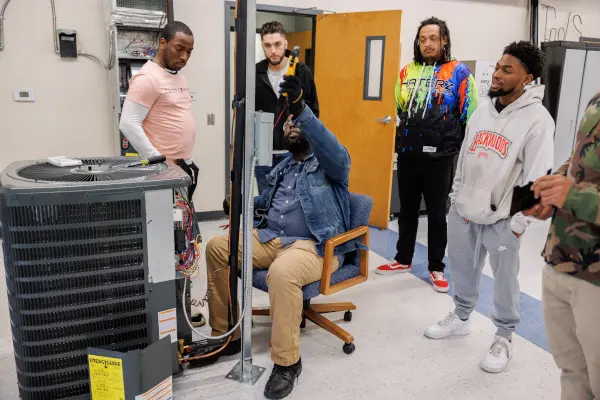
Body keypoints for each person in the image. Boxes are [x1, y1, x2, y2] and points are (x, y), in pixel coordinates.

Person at [196, 74, 351, 399]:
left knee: (282, 272)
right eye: (289, 125)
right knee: (217, 247)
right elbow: (263, 204)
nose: (293, 128)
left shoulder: (330, 165)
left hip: (314, 246)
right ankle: (227, 335)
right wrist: (237, 204)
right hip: (271, 238)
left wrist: (301, 111)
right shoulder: (282, 167)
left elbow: (333, 150)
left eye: (299, 125)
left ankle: (287, 362)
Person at [425, 41, 555, 374]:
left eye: (506, 70)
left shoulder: (538, 120)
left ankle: (504, 336)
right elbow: (466, 157)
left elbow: (536, 176)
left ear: (527, 78)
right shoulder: (483, 110)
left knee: (504, 281)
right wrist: (455, 199)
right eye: (497, 67)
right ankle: (462, 314)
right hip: (465, 208)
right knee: (463, 268)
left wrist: (518, 224)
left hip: (503, 218)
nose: (497, 74)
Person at [376, 17, 478, 293]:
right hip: (409, 155)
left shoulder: (459, 72)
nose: (427, 44)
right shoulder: (406, 72)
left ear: (444, 40)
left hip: (441, 158)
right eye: (422, 39)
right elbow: (399, 107)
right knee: (407, 212)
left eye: (433, 38)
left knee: (436, 215)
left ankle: (436, 267)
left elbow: (469, 114)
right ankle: (402, 258)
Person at [119, 21, 205, 328]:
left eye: (189, 51)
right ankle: (174, 316)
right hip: (165, 177)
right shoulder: (147, 78)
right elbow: (128, 123)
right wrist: (158, 163)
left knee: (186, 244)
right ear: (163, 43)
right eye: (180, 49)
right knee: (173, 246)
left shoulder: (175, 76)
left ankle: (181, 309)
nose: (184, 56)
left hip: (181, 174)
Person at [529, 91, 600, 399]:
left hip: (595, 280)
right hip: (560, 258)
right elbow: (578, 161)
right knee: (572, 371)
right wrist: (550, 190)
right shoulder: (597, 99)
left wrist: (572, 197)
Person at [254, 21, 320, 194]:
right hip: (263, 155)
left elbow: (314, 110)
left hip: (294, 153)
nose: (273, 50)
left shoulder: (301, 71)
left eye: (277, 44)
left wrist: (304, 140)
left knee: (293, 204)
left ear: (285, 43)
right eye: (267, 45)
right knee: (266, 203)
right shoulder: (254, 73)